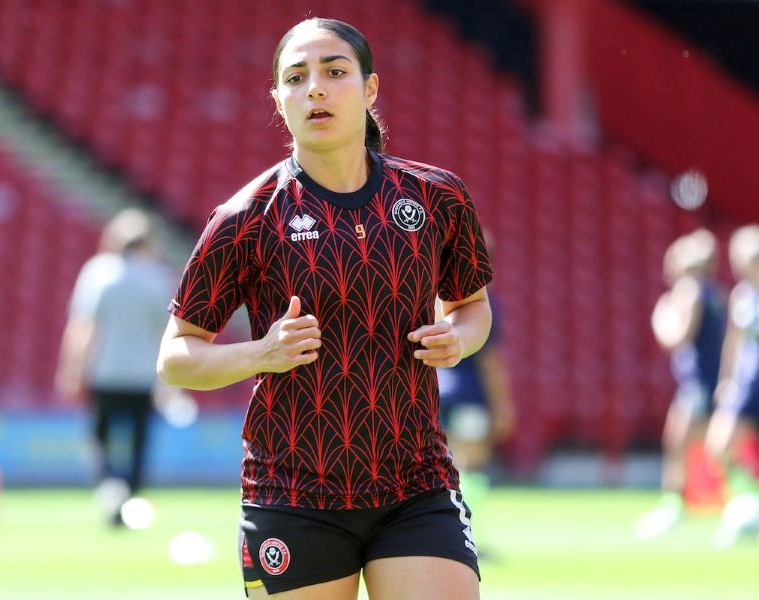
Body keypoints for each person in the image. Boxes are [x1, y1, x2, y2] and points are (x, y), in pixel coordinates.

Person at [157, 18, 492, 600]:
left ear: (369, 90)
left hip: (416, 484)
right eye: (296, 77)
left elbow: (472, 306)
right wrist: (262, 353)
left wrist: (460, 338)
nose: (315, 88)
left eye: (335, 72)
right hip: (291, 493)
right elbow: (175, 356)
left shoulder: (438, 197)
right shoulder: (243, 218)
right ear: (278, 101)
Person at [56, 208, 174, 526]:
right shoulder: (157, 277)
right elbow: (166, 331)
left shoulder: (98, 273)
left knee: (99, 440)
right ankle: (130, 499)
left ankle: (110, 489)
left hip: (105, 372)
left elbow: (83, 327)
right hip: (143, 375)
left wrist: (72, 368)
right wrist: (170, 380)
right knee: (138, 443)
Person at [634, 229, 726, 539]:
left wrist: (660, 318)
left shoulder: (689, 291)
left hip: (698, 381)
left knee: (679, 444)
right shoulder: (716, 291)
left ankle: (673, 507)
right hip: (713, 379)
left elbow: (677, 337)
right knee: (712, 444)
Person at [436, 239, 514, 549]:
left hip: (439, 394)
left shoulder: (436, 299)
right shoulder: (483, 304)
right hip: (470, 397)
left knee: (449, 466)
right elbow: (490, 362)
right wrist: (503, 405)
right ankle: (466, 536)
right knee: (471, 466)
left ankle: (449, 533)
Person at [705, 224, 759, 548]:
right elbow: (734, 341)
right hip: (747, 383)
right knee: (718, 443)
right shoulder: (742, 295)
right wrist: (726, 379)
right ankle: (751, 500)